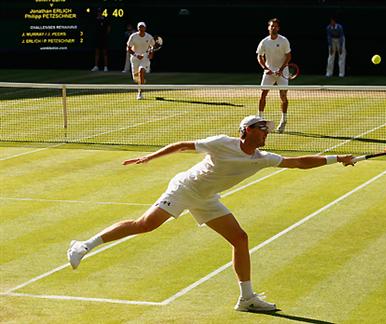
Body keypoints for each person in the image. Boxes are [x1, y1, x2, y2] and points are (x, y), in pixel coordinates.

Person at [67, 115, 355, 312]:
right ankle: (83, 246)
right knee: (146, 225)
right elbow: (182, 145)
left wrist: (337, 159)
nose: (266, 131)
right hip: (184, 189)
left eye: (266, 128)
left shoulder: (262, 159)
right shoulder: (222, 143)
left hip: (206, 198)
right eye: (261, 128)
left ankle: (246, 297)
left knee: (240, 239)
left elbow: (298, 163)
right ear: (247, 131)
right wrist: (149, 157)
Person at [256, 18, 292, 134]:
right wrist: (266, 69)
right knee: (263, 94)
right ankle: (260, 119)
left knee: (283, 96)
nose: (273, 28)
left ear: (278, 28)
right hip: (269, 72)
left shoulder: (284, 41)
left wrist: (281, 69)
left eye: (275, 26)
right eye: (272, 26)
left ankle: (283, 120)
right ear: (268, 28)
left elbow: (288, 56)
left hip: (283, 71)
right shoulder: (264, 42)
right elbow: (259, 57)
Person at [126, 21, 155, 100]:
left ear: (145, 28)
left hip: (145, 57)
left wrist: (151, 53)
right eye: (139, 27)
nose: (141, 28)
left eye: (142, 27)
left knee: (141, 70)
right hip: (135, 57)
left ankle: (140, 93)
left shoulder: (149, 37)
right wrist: (136, 55)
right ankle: (141, 80)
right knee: (136, 78)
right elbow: (128, 48)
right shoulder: (133, 36)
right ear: (138, 28)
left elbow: (152, 47)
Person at [91, 8, 111, 72]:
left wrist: (105, 35)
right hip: (97, 38)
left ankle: (105, 67)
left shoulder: (105, 19)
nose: (99, 13)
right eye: (98, 12)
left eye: (100, 12)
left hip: (104, 38)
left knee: (104, 53)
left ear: (102, 12)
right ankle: (96, 66)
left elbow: (108, 28)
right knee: (97, 52)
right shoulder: (95, 20)